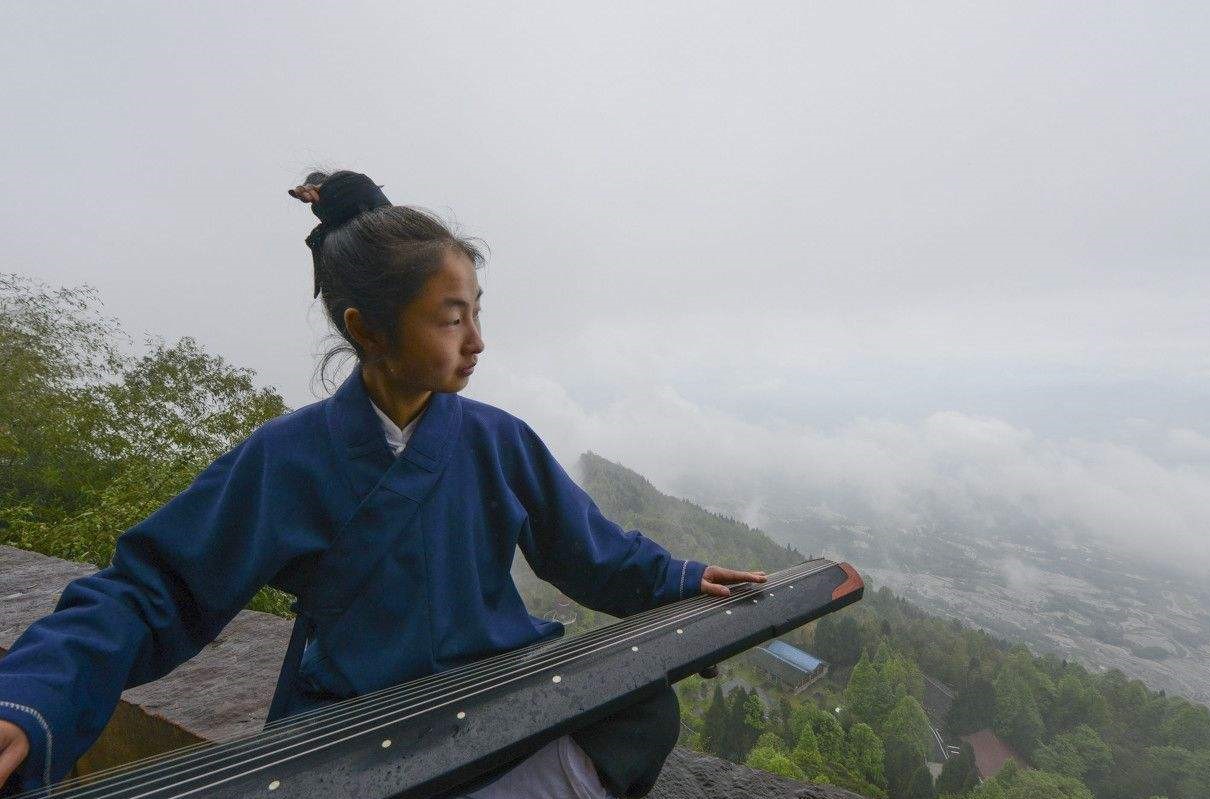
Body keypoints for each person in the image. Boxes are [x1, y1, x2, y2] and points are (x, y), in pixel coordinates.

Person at [0, 170, 766, 798]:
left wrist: (680, 579)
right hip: (359, 726)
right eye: (449, 320)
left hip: (496, 701)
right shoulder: (288, 456)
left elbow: (591, 553)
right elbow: (151, 588)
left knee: (638, 706)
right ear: (368, 329)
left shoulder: (497, 440)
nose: (477, 342)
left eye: (477, 314)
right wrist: (30, 700)